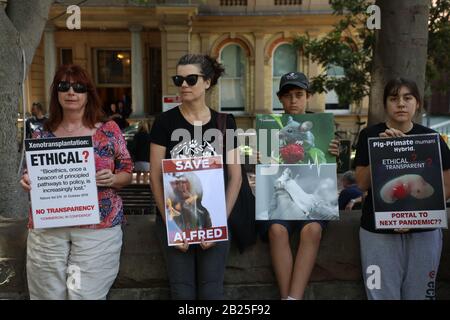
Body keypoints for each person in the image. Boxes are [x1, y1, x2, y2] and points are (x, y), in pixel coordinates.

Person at [19, 64, 133, 300]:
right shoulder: (40, 134)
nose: (71, 92)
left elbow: (127, 171)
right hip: (49, 226)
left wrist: (113, 178)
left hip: (98, 229)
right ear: (56, 93)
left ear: (88, 93)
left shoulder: (109, 130)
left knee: (86, 296)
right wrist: (28, 180)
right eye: (64, 86)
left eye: (78, 87)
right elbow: (29, 173)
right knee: (46, 296)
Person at [149, 53, 242, 299]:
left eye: (191, 79)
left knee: (212, 292)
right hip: (175, 217)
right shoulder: (164, 122)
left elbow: (236, 177)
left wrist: (219, 225)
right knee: (182, 293)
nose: (183, 85)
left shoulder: (226, 123)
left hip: (212, 217)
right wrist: (172, 226)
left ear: (207, 82)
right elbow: (155, 177)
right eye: (178, 79)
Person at [354, 77, 450, 300]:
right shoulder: (369, 135)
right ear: (385, 103)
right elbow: (361, 183)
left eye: (408, 98)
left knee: (420, 295)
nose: (401, 103)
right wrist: (383, 150)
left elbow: (447, 185)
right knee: (379, 294)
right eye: (394, 98)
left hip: (424, 233)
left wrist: (412, 216)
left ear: (417, 103)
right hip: (377, 232)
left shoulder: (432, 138)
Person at [262, 71, 340, 300]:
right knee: (276, 230)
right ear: (280, 99)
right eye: (288, 96)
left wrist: (336, 154)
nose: (293, 100)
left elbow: (332, 170)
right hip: (282, 191)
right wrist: (259, 157)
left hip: (311, 190)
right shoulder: (270, 126)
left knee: (312, 229)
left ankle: (291, 298)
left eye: (298, 94)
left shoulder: (321, 125)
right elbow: (266, 169)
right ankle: (291, 298)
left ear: (308, 96)